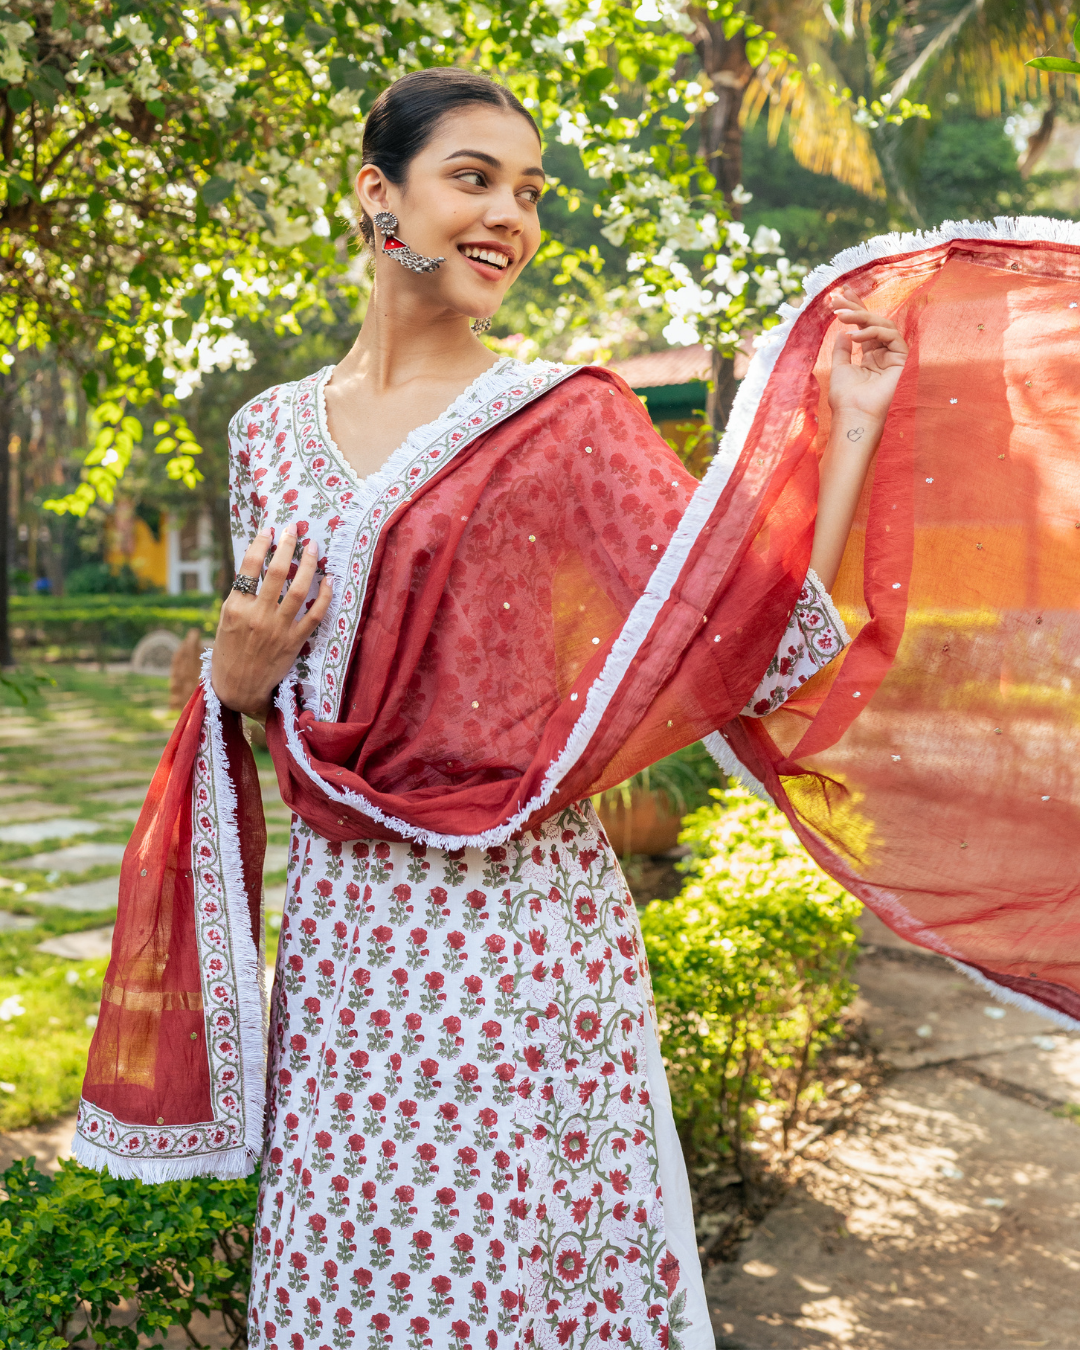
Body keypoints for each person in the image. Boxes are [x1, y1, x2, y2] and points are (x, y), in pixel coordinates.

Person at [73, 69, 906, 1350]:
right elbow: (269, 703)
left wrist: (847, 426)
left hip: (518, 941)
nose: (510, 217)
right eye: (473, 178)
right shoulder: (265, 436)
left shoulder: (568, 420)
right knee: (346, 1281)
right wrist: (231, 685)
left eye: (528, 192)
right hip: (347, 953)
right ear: (377, 196)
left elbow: (747, 633)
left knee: (513, 1285)